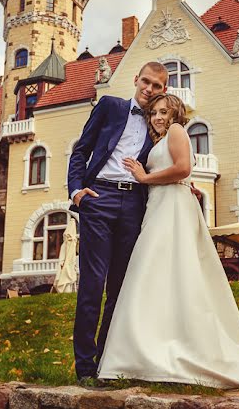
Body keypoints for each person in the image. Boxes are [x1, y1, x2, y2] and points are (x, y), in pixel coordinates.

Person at [97, 93, 239, 391]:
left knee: (160, 266)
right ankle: (145, 347)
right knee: (155, 273)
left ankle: (154, 349)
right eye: (154, 113)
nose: (158, 117)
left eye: (165, 112)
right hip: (159, 206)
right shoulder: (158, 140)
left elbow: (184, 169)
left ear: (176, 113)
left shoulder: (176, 132)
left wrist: (144, 177)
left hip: (172, 208)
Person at [68, 61, 169, 381]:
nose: (149, 89)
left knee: (120, 288)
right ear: (136, 80)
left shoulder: (159, 123)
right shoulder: (110, 106)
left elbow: (166, 159)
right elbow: (80, 150)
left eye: (156, 86)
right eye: (146, 82)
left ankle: (106, 362)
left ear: (163, 90)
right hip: (99, 199)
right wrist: (76, 192)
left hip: (134, 205)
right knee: (92, 284)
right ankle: (84, 367)